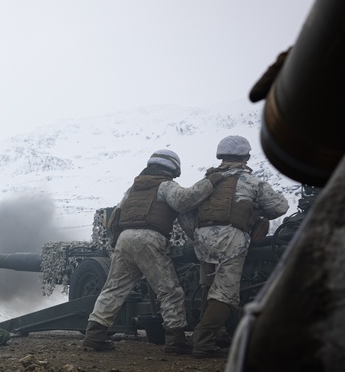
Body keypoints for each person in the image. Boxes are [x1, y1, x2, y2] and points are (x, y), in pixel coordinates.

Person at [83, 149, 214, 354]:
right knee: (170, 291)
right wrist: (209, 182)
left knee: (114, 289)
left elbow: (113, 220)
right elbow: (183, 201)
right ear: (172, 169)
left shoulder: (133, 189)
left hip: (124, 239)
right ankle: (175, 340)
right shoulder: (166, 186)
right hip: (150, 239)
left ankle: (94, 336)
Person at [191, 135, 289, 358]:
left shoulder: (207, 181)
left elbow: (186, 207)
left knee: (208, 286)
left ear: (220, 156)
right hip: (230, 238)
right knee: (225, 293)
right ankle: (203, 341)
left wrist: (194, 234)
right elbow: (279, 207)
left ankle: (217, 335)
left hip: (202, 238)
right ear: (246, 157)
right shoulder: (251, 182)